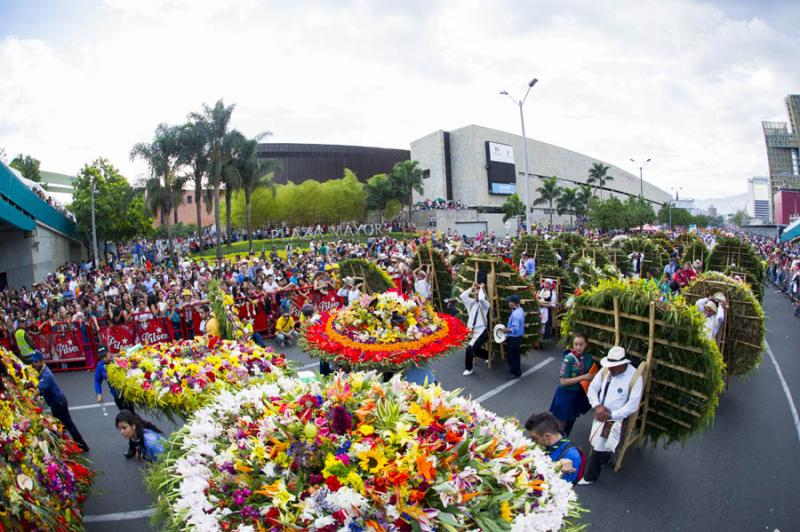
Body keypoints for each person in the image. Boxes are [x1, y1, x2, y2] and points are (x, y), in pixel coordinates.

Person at [580, 346, 644, 485]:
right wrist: (597, 406)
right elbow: (592, 388)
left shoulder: (635, 378)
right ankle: (606, 458)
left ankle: (590, 477)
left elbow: (632, 405)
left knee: (599, 446)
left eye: (613, 367)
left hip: (614, 419)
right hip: (600, 413)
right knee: (600, 441)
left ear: (622, 364)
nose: (610, 370)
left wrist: (611, 415)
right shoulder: (605, 371)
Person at [31, 352, 89, 451]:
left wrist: (31, 399)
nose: (33, 364)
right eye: (32, 362)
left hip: (58, 403)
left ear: (41, 361)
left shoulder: (46, 374)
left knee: (62, 426)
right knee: (62, 425)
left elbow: (40, 389)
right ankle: (74, 445)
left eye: (36, 362)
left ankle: (79, 446)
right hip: (57, 402)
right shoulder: (42, 371)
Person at [548, 333, 594, 436]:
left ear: (586, 344)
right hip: (565, 395)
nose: (578, 347)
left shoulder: (588, 358)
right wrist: (583, 377)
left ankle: (564, 443)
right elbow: (563, 381)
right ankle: (555, 447)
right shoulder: (568, 359)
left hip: (578, 395)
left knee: (571, 421)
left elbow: (591, 373)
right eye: (575, 344)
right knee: (560, 426)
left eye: (581, 344)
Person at [526, 412, 583, 484]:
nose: (533, 442)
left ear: (547, 436)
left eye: (534, 438)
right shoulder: (548, 444)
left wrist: (559, 471)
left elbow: (563, 488)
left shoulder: (571, 456)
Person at [461, 282, 490, 376]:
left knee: (470, 348)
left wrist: (481, 288)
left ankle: (468, 369)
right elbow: (463, 296)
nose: (476, 296)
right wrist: (471, 288)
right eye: (475, 294)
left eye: (477, 294)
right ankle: (488, 354)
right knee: (473, 348)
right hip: (471, 330)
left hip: (482, 330)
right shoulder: (471, 303)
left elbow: (481, 299)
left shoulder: (485, 304)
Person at [502, 294, 525, 380]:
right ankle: (516, 371)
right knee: (515, 355)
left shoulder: (516, 314)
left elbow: (515, 329)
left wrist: (505, 330)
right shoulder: (520, 309)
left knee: (512, 355)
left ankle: (514, 373)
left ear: (514, 303)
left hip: (514, 337)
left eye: (509, 302)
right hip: (517, 337)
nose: (508, 303)